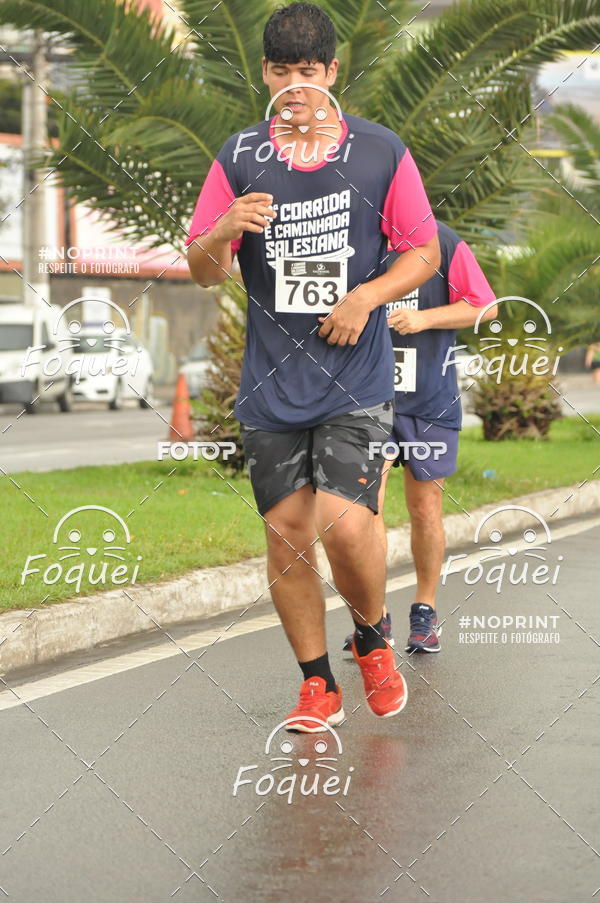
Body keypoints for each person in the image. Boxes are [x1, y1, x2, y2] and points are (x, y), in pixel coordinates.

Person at [185, 2, 440, 731]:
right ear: (264, 73)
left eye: (308, 71)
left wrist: (366, 296)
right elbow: (201, 271)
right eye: (281, 71)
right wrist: (224, 229)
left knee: (345, 523)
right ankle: (317, 682)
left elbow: (423, 252)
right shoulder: (239, 157)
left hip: (353, 376)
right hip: (270, 383)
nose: (295, 86)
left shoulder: (378, 151)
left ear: (332, 72)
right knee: (289, 532)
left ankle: (371, 636)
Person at [341, 221, 497, 658]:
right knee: (367, 507)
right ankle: (376, 618)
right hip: (368, 399)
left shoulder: (444, 242)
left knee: (425, 509)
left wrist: (424, 318)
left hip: (430, 400)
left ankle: (424, 611)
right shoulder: (355, 234)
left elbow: (485, 307)